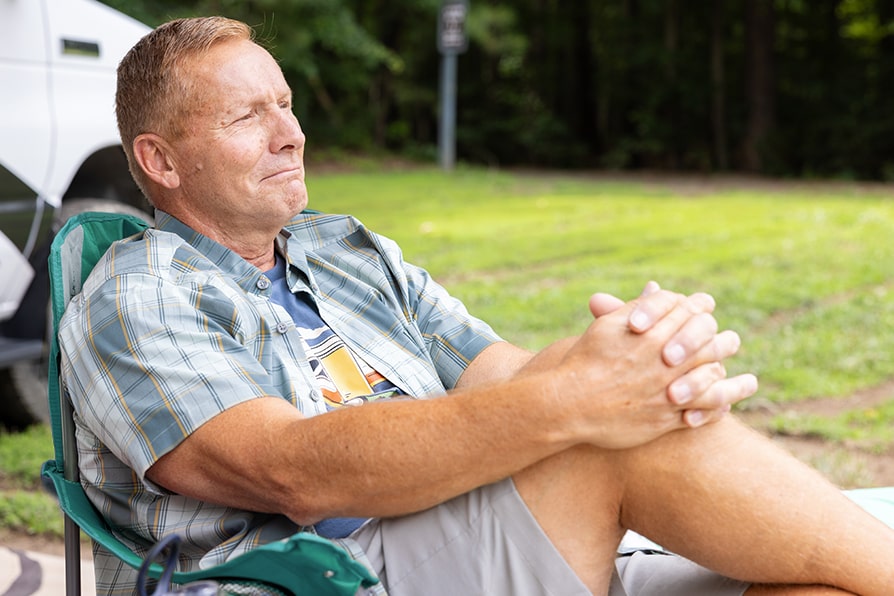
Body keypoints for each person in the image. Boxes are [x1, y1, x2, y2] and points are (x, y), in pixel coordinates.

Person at [58, 15, 894, 596]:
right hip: (313, 576)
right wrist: (583, 397)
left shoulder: (343, 250)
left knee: (812, 583)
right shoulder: (136, 299)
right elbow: (296, 473)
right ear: (161, 162)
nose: (291, 134)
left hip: (451, 534)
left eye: (286, 104)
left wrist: (642, 358)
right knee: (603, 438)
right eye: (249, 115)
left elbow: (509, 377)